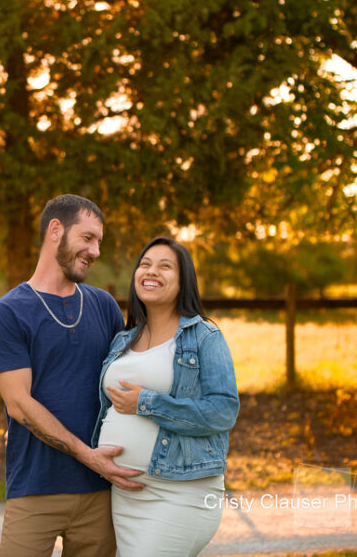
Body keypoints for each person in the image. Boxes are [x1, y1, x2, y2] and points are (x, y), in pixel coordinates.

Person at [0, 194, 143, 557]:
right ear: (55, 230)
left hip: (101, 492)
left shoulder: (103, 305)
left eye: (99, 241)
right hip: (35, 487)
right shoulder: (9, 312)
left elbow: (123, 382)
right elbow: (19, 404)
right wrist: (87, 455)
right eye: (88, 238)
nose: (96, 251)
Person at [92, 236, 239, 557]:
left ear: (184, 280)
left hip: (180, 492)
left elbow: (223, 411)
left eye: (165, 266)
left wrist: (146, 403)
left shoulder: (205, 337)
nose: (151, 271)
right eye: (144, 264)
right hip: (126, 494)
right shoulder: (122, 340)